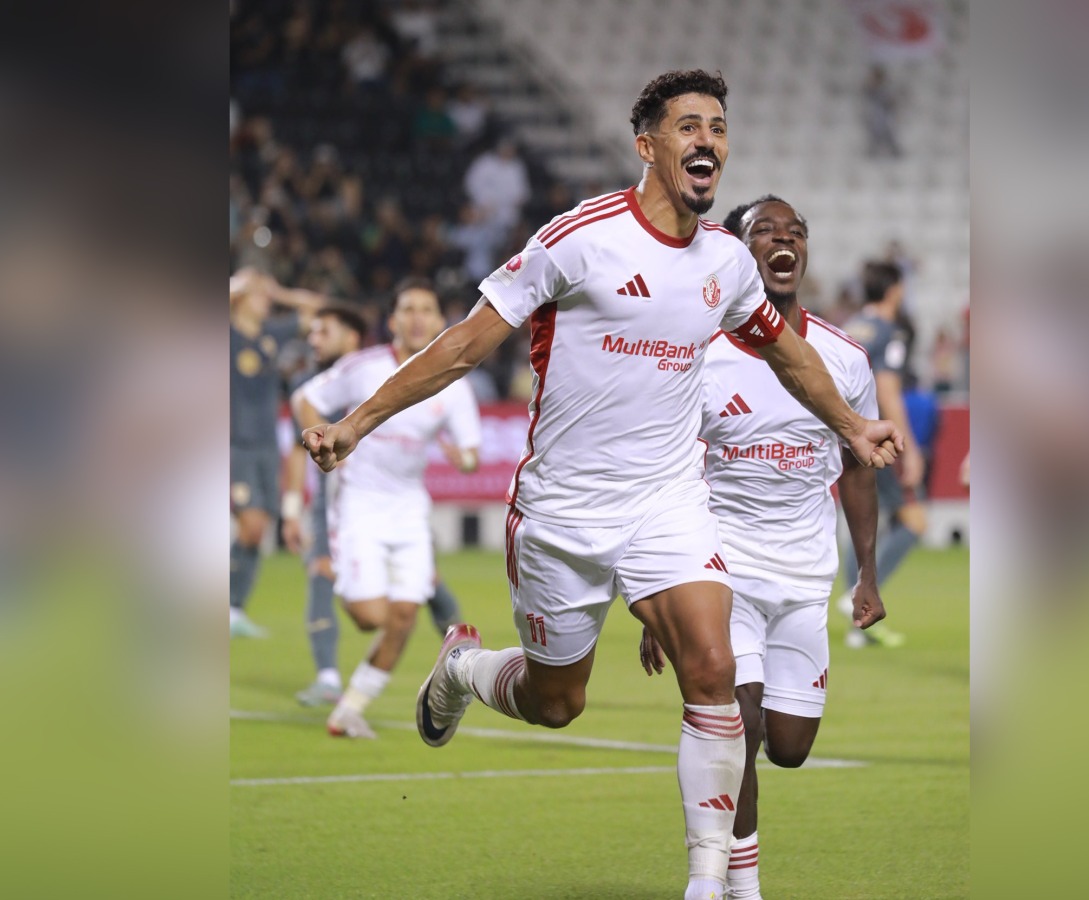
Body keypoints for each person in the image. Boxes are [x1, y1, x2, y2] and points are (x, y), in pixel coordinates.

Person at [302, 70, 901, 899]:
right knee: (557, 703)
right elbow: (465, 346)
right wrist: (355, 424)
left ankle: (708, 883)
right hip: (563, 510)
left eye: (719, 128)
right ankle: (466, 670)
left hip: (667, 501)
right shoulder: (579, 240)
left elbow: (789, 353)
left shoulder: (727, 263)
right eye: (689, 126)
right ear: (647, 145)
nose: (708, 141)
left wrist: (850, 423)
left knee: (712, 669)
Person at [640, 195, 886, 899]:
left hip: (806, 581)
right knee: (736, 721)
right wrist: (664, 591)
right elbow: (666, 471)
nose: (783, 241)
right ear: (738, 250)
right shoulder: (701, 355)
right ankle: (729, 885)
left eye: (795, 232)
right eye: (765, 231)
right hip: (725, 573)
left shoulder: (842, 359)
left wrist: (866, 574)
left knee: (789, 747)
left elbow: (858, 468)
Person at [293, 277, 482, 738]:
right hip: (359, 505)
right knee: (369, 616)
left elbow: (472, 452)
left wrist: (465, 459)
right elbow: (306, 399)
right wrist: (319, 439)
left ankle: (349, 710)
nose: (418, 317)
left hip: (409, 509)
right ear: (393, 320)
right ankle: (340, 572)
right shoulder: (363, 367)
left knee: (403, 617)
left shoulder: (453, 383)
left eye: (427, 309)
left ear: (440, 321)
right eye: (408, 309)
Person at [837, 261, 928, 648]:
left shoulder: (851, 326)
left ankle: (861, 628)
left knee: (861, 516)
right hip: (877, 436)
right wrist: (910, 447)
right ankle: (854, 595)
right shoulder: (891, 333)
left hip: (845, 432)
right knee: (914, 521)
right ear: (894, 291)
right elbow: (887, 388)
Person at [282, 305, 369, 705]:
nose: (313, 339)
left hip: (379, 498)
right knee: (319, 571)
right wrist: (291, 510)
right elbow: (300, 452)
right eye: (312, 332)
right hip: (329, 499)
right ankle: (329, 678)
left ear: (351, 337)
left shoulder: (373, 375)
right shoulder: (309, 384)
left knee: (424, 583)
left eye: (324, 332)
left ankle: (461, 658)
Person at [230, 268, 322, 638]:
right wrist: (239, 282)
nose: (265, 300)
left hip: (268, 443)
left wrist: (280, 291)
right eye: (258, 295)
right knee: (250, 524)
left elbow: (316, 309)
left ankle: (233, 610)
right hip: (231, 443)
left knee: (258, 531)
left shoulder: (270, 335)